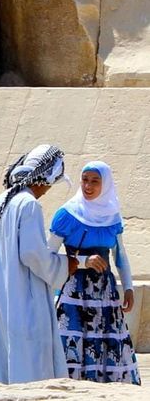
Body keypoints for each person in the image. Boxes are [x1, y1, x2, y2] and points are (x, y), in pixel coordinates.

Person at [0, 143, 77, 384]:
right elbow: (33, 254)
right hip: (26, 297)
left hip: (5, 295)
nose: (49, 190)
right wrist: (65, 265)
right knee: (33, 360)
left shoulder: (0, 202)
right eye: (52, 183)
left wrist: (5, 257)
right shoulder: (29, 204)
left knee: (12, 356)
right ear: (44, 179)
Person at [50, 161, 141, 384]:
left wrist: (128, 287)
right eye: (84, 180)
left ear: (106, 184)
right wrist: (82, 261)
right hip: (73, 291)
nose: (88, 186)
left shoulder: (112, 217)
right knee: (71, 340)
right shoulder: (67, 214)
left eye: (95, 181)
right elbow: (47, 255)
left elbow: (120, 257)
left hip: (105, 294)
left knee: (106, 342)